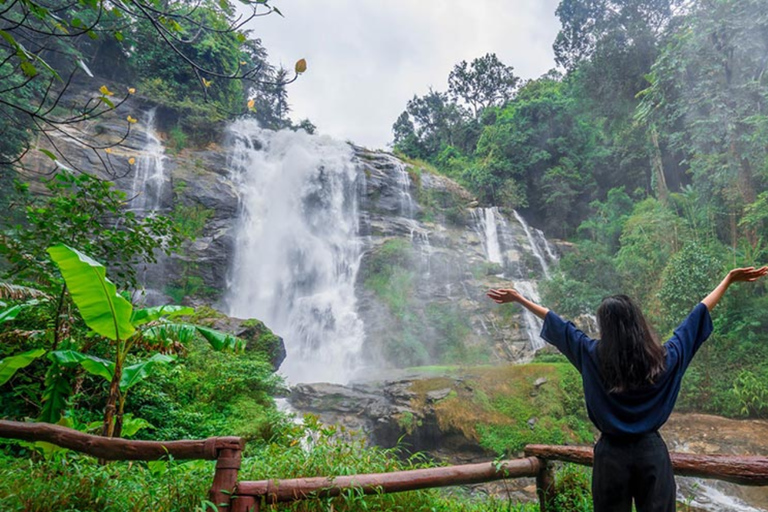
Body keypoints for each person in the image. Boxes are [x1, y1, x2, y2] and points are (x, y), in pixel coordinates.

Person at [487, 266, 768, 512]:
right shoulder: (664, 358)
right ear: (638, 322)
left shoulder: (591, 355)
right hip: (651, 453)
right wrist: (727, 280)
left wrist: (520, 299)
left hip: (610, 456)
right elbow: (695, 318)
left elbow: (559, 326)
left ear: (605, 327)